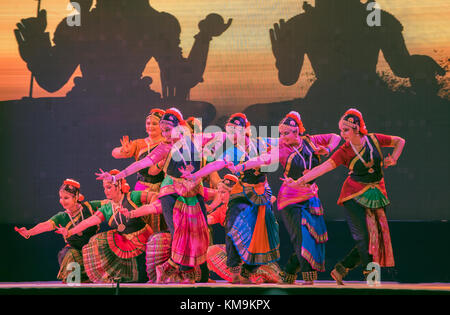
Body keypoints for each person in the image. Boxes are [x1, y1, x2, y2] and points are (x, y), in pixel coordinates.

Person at [95, 108, 210, 284]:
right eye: (163, 131)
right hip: (170, 192)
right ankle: (184, 273)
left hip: (193, 192)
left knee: (200, 231)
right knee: (179, 232)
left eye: (168, 130)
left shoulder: (193, 143)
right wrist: (115, 177)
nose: (165, 134)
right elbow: (142, 163)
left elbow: (220, 140)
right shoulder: (165, 147)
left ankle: (168, 268)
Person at [295, 108, 405, 284]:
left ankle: (341, 268)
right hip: (353, 195)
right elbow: (324, 168)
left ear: (357, 128)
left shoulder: (374, 140)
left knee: (377, 237)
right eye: (340, 130)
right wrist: (302, 180)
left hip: (377, 193)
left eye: (345, 130)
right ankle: (372, 277)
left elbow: (400, 141)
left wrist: (394, 158)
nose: (342, 134)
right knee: (364, 237)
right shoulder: (344, 150)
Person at [229, 111, 341, 284]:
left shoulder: (311, 141)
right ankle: (308, 276)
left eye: (286, 133)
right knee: (301, 236)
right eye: (281, 134)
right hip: (290, 198)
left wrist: (327, 149)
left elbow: (335, 137)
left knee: (314, 236)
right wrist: (242, 166)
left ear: (297, 131)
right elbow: (264, 159)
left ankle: (288, 272)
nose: (283, 137)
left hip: (311, 196)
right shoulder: (281, 149)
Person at [182, 112, 280, 284]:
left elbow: (282, 146)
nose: (231, 135)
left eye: (235, 131)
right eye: (229, 131)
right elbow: (216, 164)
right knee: (232, 227)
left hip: (262, 193)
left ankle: (247, 271)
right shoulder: (231, 151)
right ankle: (234, 270)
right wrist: (194, 176)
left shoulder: (261, 143)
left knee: (263, 234)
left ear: (245, 130)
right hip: (240, 191)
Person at [56, 170, 155, 283]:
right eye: (104, 188)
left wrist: (149, 208)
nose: (106, 191)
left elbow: (153, 197)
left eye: (109, 187)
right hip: (125, 242)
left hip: (144, 241)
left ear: (118, 186)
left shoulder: (132, 197)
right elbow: (88, 222)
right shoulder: (107, 208)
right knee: (96, 241)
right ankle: (111, 277)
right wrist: (70, 232)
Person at [15, 179, 100, 283]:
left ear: (76, 197)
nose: (62, 201)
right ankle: (74, 287)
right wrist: (29, 232)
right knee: (69, 256)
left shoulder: (90, 207)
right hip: (75, 252)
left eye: (66, 198)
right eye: (60, 198)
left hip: (92, 251)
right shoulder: (62, 217)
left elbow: (109, 204)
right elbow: (45, 225)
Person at [112, 108, 166, 232]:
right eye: (148, 123)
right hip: (142, 187)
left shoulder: (167, 143)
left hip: (162, 187)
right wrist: (123, 151)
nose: (150, 126)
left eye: (154, 123)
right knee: (140, 222)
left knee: (162, 222)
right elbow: (114, 153)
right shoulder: (139, 143)